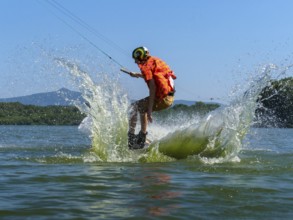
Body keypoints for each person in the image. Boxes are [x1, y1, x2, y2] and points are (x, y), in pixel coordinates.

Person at [127, 46, 177, 149]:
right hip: (169, 96)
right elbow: (154, 75)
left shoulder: (145, 67)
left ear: (141, 57)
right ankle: (142, 137)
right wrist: (138, 74)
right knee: (140, 107)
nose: (136, 62)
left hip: (162, 98)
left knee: (135, 107)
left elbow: (153, 88)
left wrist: (149, 110)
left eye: (136, 59)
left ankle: (135, 138)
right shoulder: (154, 60)